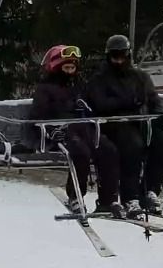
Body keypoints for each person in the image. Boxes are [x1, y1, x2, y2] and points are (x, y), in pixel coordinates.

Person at [29, 45, 120, 216]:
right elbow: (37, 115)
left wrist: (89, 110)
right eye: (66, 68)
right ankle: (76, 196)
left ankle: (109, 199)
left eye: (72, 68)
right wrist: (50, 129)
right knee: (81, 153)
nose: (70, 72)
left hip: (83, 127)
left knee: (108, 149)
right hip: (62, 130)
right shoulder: (46, 89)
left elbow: (91, 106)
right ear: (56, 68)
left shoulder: (78, 86)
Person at [85, 34, 163, 216]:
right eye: (115, 56)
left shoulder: (140, 77)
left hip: (141, 123)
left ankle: (150, 190)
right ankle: (130, 196)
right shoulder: (100, 79)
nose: (119, 60)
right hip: (114, 125)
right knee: (133, 146)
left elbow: (153, 100)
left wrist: (159, 116)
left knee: (161, 141)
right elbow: (100, 104)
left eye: (122, 56)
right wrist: (127, 102)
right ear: (109, 56)